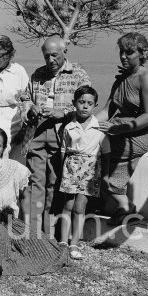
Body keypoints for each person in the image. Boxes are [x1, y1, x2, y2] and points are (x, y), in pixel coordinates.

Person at [0, 127, 67, 275]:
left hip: (12, 223)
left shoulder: (15, 168)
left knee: (46, 252)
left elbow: (25, 198)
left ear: (4, 148)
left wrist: (28, 226)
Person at [22, 36, 91, 237]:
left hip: (63, 133)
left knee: (55, 184)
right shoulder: (37, 74)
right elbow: (25, 98)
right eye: (47, 56)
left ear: (64, 52)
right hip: (37, 132)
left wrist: (64, 113)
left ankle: (49, 234)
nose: (50, 59)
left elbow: (87, 103)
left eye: (54, 55)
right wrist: (30, 108)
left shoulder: (78, 74)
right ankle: (32, 234)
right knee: (35, 183)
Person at [97, 32, 148, 226]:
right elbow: (108, 110)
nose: (124, 56)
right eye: (122, 52)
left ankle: (126, 207)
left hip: (138, 134)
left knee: (96, 161)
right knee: (86, 151)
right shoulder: (122, 79)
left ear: (142, 54)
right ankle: (122, 207)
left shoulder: (146, 78)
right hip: (118, 130)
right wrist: (86, 124)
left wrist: (121, 129)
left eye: (129, 52)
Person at [59, 86, 111, 259]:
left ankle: (74, 243)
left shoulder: (99, 129)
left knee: (80, 207)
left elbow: (106, 153)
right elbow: (63, 150)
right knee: (67, 205)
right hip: (70, 168)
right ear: (74, 103)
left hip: (90, 171)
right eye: (82, 102)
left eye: (90, 103)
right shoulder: (69, 127)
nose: (85, 106)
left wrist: (105, 175)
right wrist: (63, 170)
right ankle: (63, 241)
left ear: (95, 105)